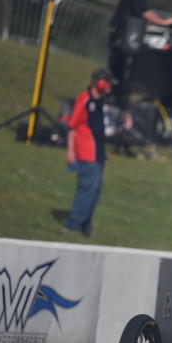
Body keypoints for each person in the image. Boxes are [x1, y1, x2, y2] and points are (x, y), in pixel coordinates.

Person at [108, 0, 172, 106]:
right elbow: (146, 14)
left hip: (128, 40)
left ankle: (120, 98)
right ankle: (113, 98)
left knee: (124, 73)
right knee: (117, 70)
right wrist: (164, 22)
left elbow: (144, 15)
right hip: (121, 39)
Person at [63, 69, 114, 237]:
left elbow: (99, 131)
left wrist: (103, 155)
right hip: (86, 151)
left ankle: (85, 224)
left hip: (97, 153)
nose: (109, 85)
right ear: (99, 81)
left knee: (96, 189)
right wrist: (71, 151)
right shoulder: (85, 99)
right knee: (87, 187)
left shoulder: (100, 102)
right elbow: (72, 126)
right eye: (107, 81)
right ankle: (74, 223)